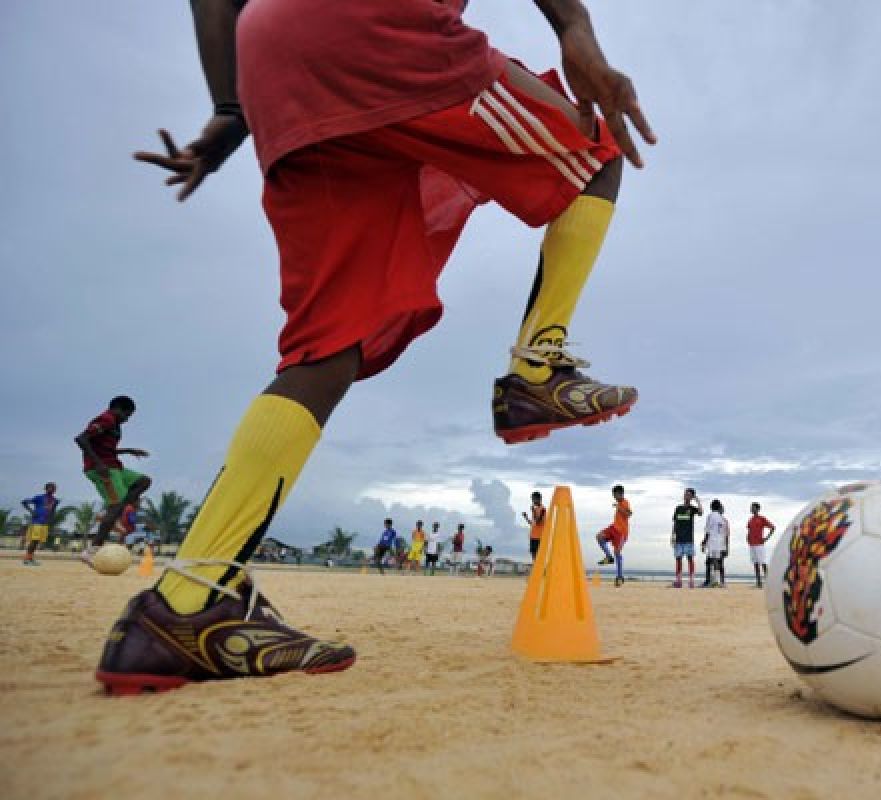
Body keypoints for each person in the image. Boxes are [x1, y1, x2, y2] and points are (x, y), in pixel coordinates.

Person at [95, 0, 653, 693]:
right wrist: (577, 33)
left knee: (327, 345)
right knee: (590, 149)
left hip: (275, 67)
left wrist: (232, 108)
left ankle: (182, 605)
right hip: (378, 30)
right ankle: (538, 367)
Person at [75, 396, 152, 570]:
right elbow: (81, 439)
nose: (127, 419)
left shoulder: (115, 424)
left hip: (115, 467)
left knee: (143, 481)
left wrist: (128, 450)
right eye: (127, 415)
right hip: (102, 469)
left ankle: (117, 509)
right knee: (116, 506)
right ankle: (92, 550)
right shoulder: (106, 419)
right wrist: (98, 463)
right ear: (118, 409)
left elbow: (103, 447)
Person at [596, 484, 632, 586]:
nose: (614, 497)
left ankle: (619, 576)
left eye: (615, 495)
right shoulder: (619, 503)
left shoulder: (625, 502)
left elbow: (629, 514)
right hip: (613, 528)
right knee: (599, 536)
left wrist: (619, 507)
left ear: (620, 494)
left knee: (617, 552)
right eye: (613, 495)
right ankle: (608, 557)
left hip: (621, 533)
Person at [669, 488, 702, 588]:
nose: (686, 496)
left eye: (688, 495)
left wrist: (697, 500)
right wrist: (672, 535)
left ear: (691, 497)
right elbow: (675, 522)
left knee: (690, 559)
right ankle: (678, 581)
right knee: (678, 559)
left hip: (688, 539)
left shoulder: (692, 509)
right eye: (685, 494)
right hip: (678, 538)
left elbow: (700, 512)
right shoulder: (678, 508)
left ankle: (691, 581)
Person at [20, 482, 59, 566]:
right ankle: (27, 559)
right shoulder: (39, 497)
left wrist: (51, 520)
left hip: (45, 524)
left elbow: (53, 512)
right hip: (36, 522)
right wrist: (31, 511)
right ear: (45, 488)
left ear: (55, 490)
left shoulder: (55, 500)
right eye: (50, 487)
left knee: (37, 541)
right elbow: (24, 502)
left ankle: (30, 558)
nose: (52, 489)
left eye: (53, 488)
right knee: (34, 541)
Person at [746, 502, 776, 589]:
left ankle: (768, 582)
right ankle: (759, 582)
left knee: (762, 562)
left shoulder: (762, 518)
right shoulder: (750, 519)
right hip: (751, 544)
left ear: (757, 509)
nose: (751, 509)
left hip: (759, 544)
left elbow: (773, 527)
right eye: (751, 507)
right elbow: (749, 530)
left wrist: (766, 538)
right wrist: (747, 538)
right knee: (755, 563)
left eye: (753, 507)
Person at [701, 499, 729, 588]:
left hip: (713, 541)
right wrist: (726, 546)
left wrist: (704, 542)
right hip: (720, 542)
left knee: (714, 561)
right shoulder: (722, 518)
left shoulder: (711, 516)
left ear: (712, 507)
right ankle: (716, 581)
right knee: (715, 561)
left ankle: (715, 581)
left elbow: (708, 530)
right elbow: (725, 533)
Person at [523, 491, 547, 561]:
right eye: (532, 499)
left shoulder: (543, 510)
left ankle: (539, 569)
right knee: (533, 554)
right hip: (533, 536)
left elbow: (538, 522)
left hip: (539, 537)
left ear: (539, 499)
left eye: (534, 499)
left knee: (538, 555)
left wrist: (533, 511)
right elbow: (533, 524)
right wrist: (526, 517)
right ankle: (535, 569)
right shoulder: (535, 509)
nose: (533, 501)